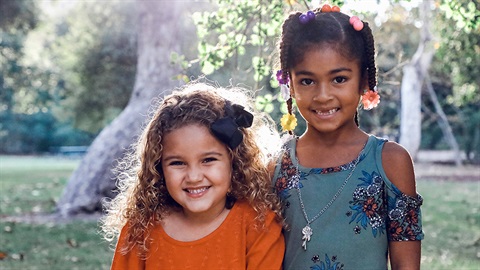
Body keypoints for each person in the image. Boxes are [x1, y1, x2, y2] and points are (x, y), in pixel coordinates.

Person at [271, 4, 424, 270]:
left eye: (338, 79)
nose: (323, 95)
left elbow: (407, 265)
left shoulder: (390, 162)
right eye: (307, 81)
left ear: (364, 81)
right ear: (291, 85)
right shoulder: (275, 165)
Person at [101, 82, 285, 269]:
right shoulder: (141, 229)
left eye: (208, 160)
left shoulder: (258, 224)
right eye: (178, 163)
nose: (194, 176)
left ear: (234, 161)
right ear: (158, 168)